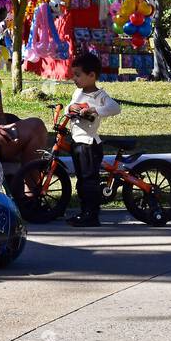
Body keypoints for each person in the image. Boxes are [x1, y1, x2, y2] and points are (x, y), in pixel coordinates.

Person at [65, 50, 122, 227]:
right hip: (78, 142)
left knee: (89, 180)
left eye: (78, 75)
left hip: (89, 144)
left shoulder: (100, 96)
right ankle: (84, 211)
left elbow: (115, 108)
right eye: (73, 74)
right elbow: (71, 106)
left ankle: (92, 214)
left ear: (92, 75)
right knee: (82, 179)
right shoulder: (78, 93)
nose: (74, 78)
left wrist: (94, 110)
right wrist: (71, 109)